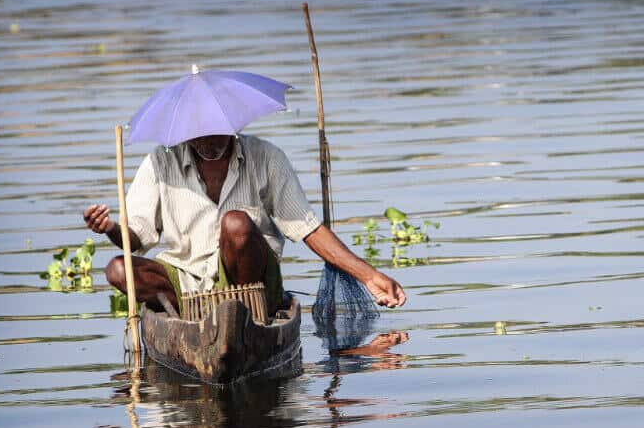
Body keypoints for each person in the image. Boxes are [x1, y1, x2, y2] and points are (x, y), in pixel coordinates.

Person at [83, 133, 407, 314]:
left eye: (217, 131)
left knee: (236, 224)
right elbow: (136, 237)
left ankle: (243, 317)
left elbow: (306, 227)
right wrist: (110, 227)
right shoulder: (159, 162)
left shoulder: (266, 157)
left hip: (252, 285)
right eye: (199, 135)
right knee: (117, 269)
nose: (209, 141)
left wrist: (370, 276)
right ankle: (193, 316)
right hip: (186, 285)